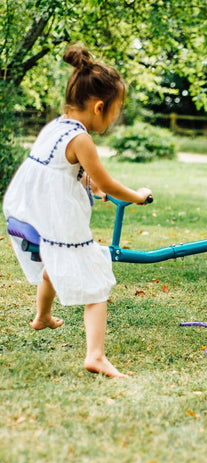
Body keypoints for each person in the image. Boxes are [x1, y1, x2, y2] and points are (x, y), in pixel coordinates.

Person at [3, 45, 152, 378]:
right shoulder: (82, 140)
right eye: (116, 110)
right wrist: (138, 196)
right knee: (97, 283)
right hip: (55, 216)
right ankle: (95, 356)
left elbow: (65, 168)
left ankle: (42, 317)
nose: (115, 117)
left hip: (29, 210)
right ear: (99, 107)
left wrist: (87, 180)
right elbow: (109, 184)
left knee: (53, 262)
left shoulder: (56, 126)